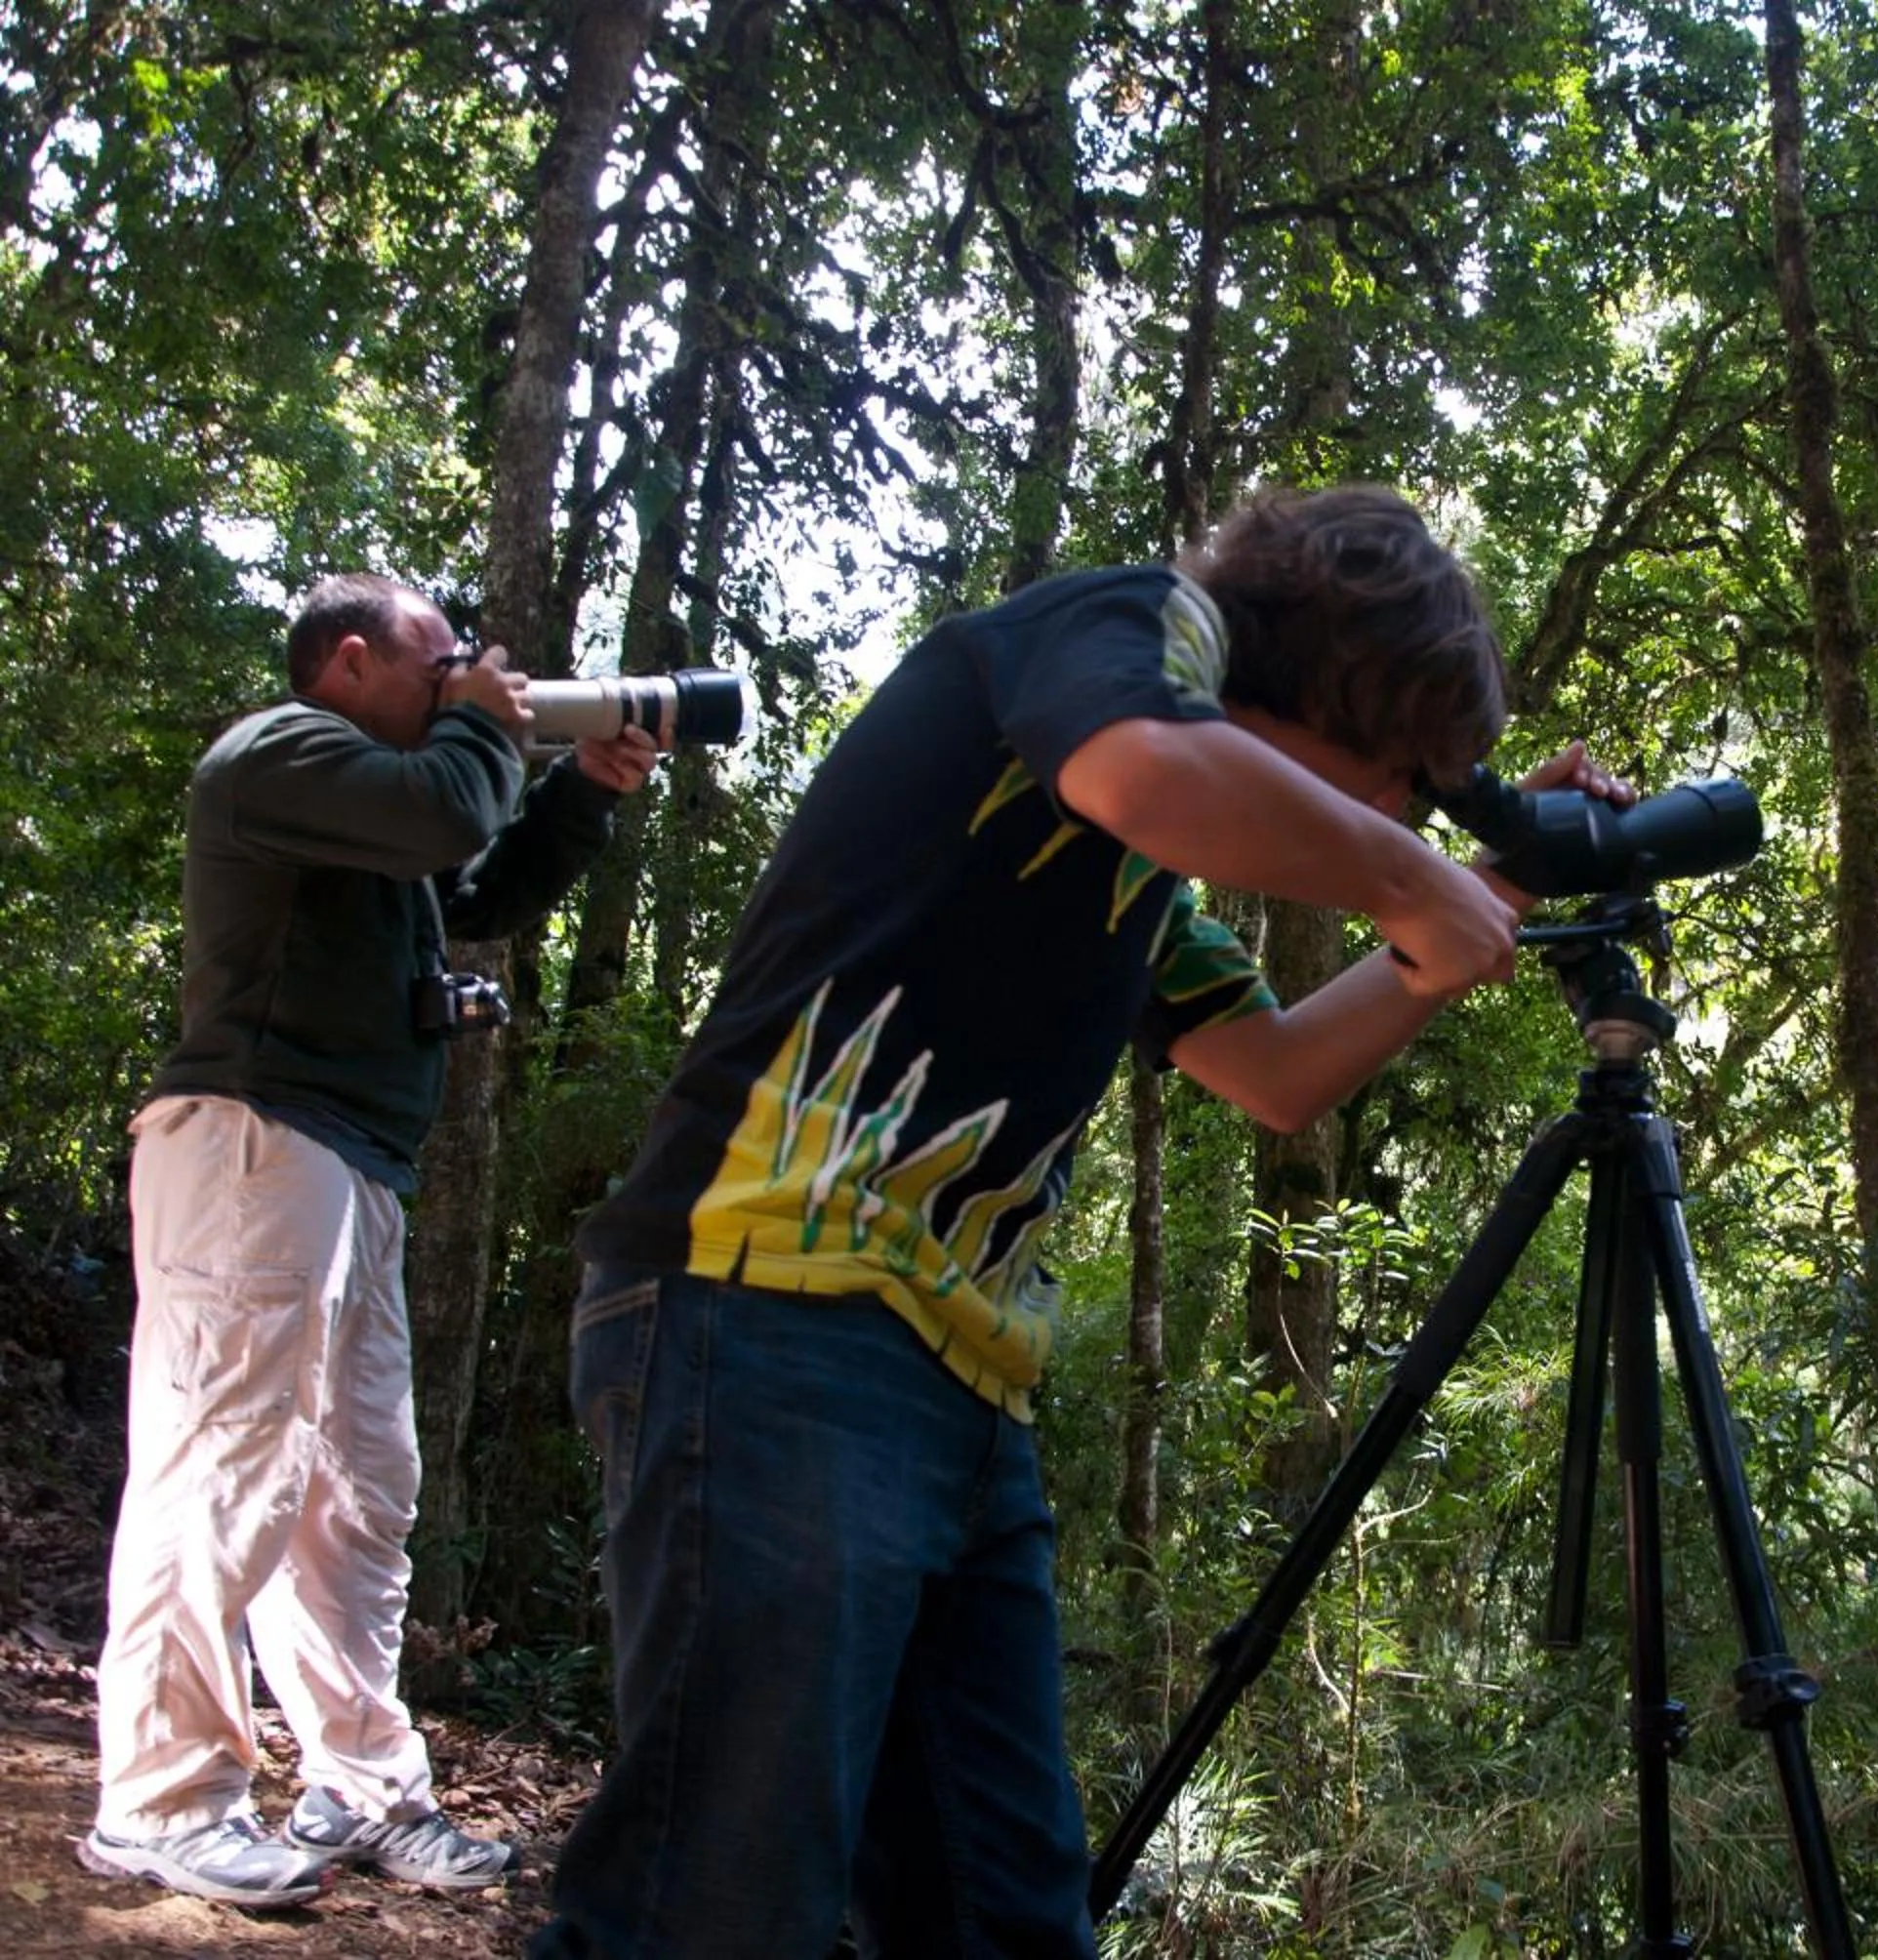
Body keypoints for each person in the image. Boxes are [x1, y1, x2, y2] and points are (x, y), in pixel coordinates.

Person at [531, 485, 1625, 1959]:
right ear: (1316, 685)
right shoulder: (1120, 626)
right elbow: (1144, 767)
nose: (1382, 821)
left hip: (961, 1387)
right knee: (716, 1906)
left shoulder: (1142, 873)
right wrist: (1408, 875)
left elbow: (1278, 1070)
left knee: (1004, 1916)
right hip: (765, 1303)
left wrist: (1467, 907)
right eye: (1395, 781)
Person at [82, 574, 659, 1907]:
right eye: (439, 661)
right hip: (254, 1141)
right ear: (348, 663)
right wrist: (483, 722)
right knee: (224, 1468)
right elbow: (449, 808)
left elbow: (478, 891)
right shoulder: (277, 754)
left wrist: (582, 793)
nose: (464, 678)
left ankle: (360, 1787)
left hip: (348, 1164)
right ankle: (160, 1798)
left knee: (356, 1498)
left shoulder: (375, 804)